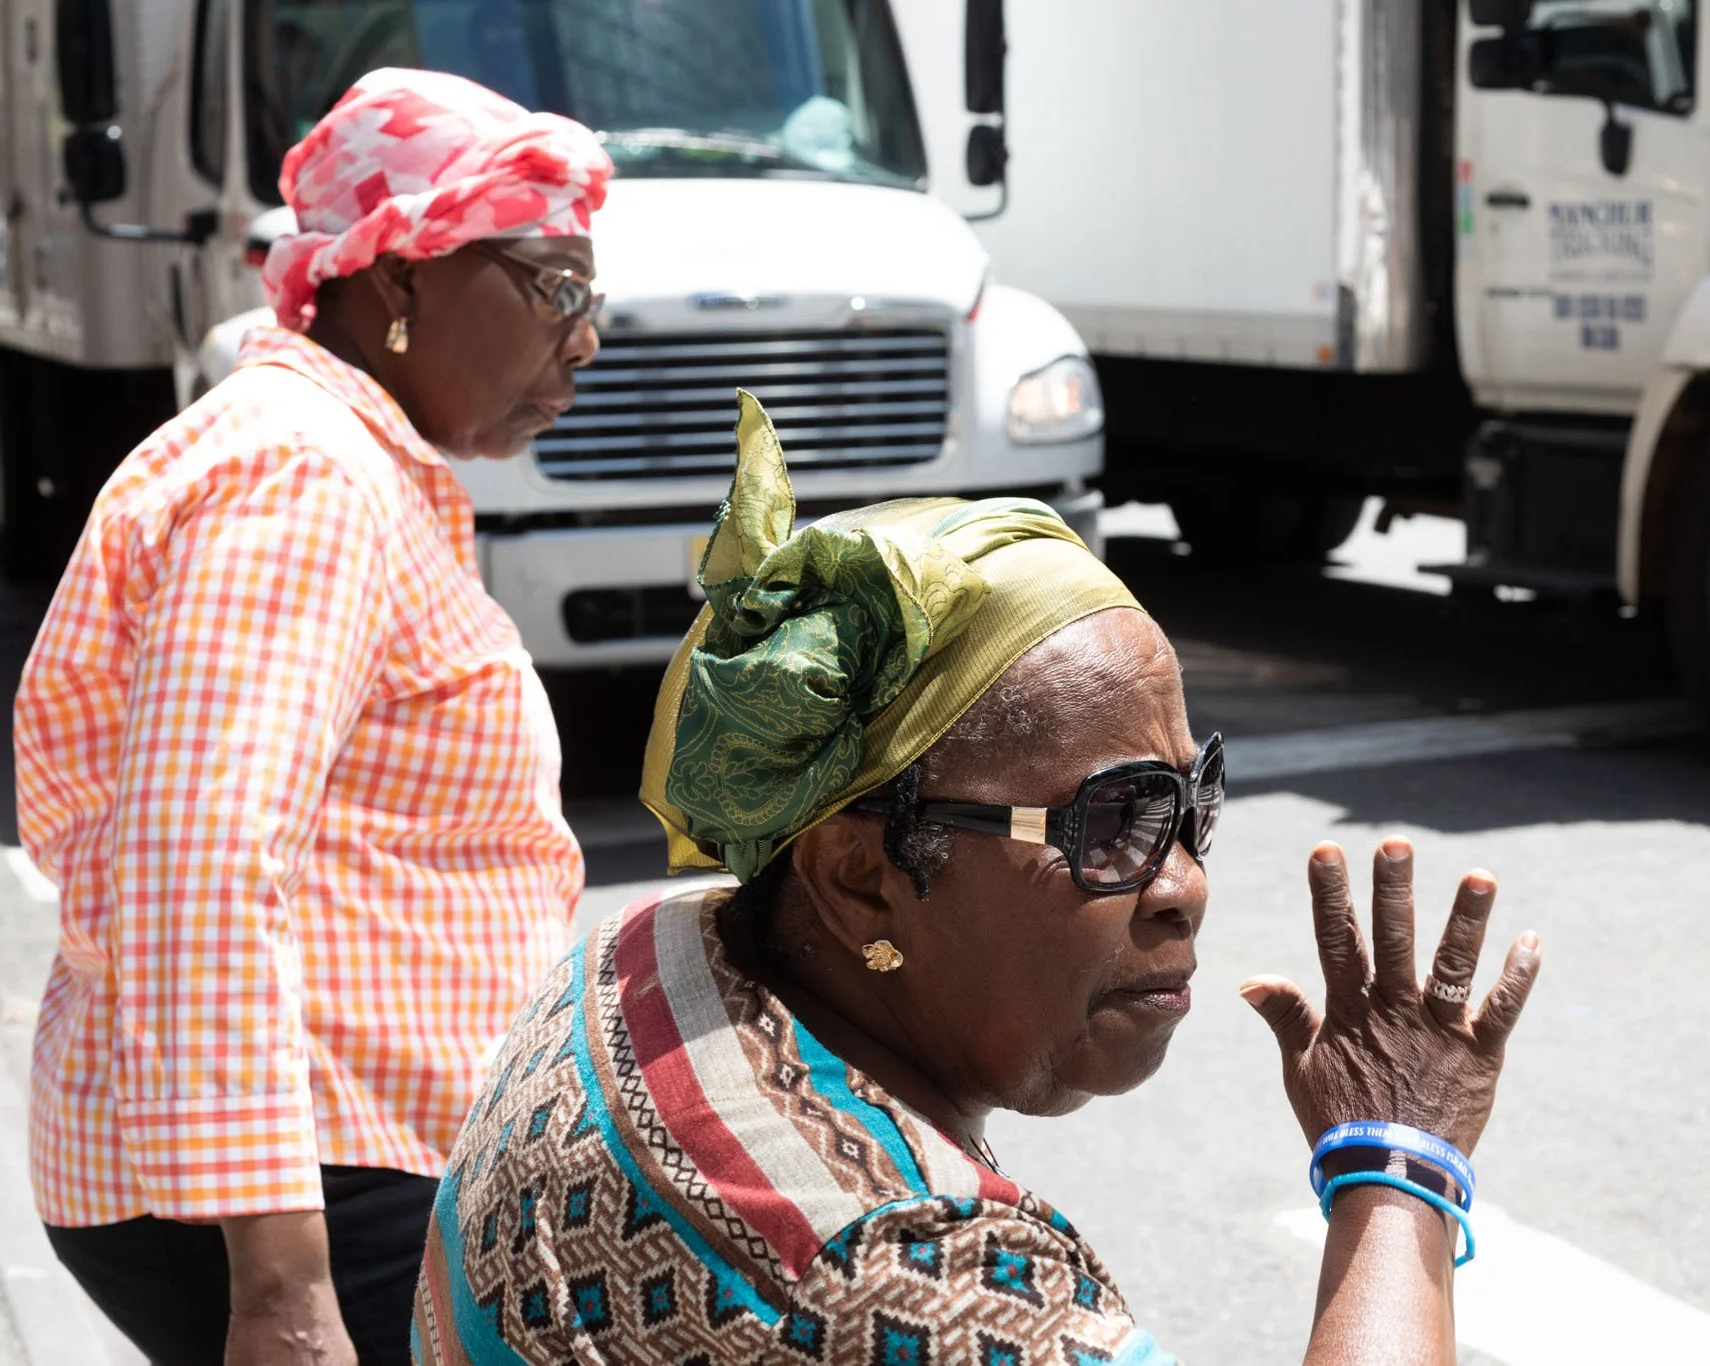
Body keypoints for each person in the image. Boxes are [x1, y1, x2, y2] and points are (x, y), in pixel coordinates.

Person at [412, 394, 1544, 1365]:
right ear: (858, 877)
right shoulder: (913, 1265)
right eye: (1112, 820)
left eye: (1188, 801)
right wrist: (1397, 1164)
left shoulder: (644, 953)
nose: (1183, 884)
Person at [13, 70, 612, 1366]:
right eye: (555, 285)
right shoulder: (301, 473)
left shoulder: (337, 458)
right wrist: (281, 1289)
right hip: (312, 1183)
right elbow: (200, 866)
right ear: (397, 280)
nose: (587, 338)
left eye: (591, 297)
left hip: (348, 1154)